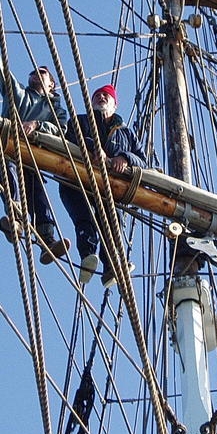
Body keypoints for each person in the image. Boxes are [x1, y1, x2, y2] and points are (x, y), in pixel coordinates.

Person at [0, 20, 69, 264]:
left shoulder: (56, 109)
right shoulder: (17, 92)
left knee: (38, 192)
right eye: (34, 72)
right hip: (4, 147)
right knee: (8, 178)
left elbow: (61, 130)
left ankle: (47, 240)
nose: (36, 73)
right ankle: (16, 220)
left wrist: (38, 125)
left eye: (43, 72)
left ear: (53, 85)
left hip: (31, 155)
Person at [59, 84, 147, 287]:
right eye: (97, 95)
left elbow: (143, 161)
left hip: (110, 186)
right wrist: (94, 149)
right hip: (77, 180)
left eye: (106, 96)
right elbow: (70, 137)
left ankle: (110, 268)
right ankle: (88, 257)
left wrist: (124, 157)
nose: (101, 97)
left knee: (112, 225)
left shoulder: (127, 134)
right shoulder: (79, 121)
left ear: (115, 104)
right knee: (83, 220)